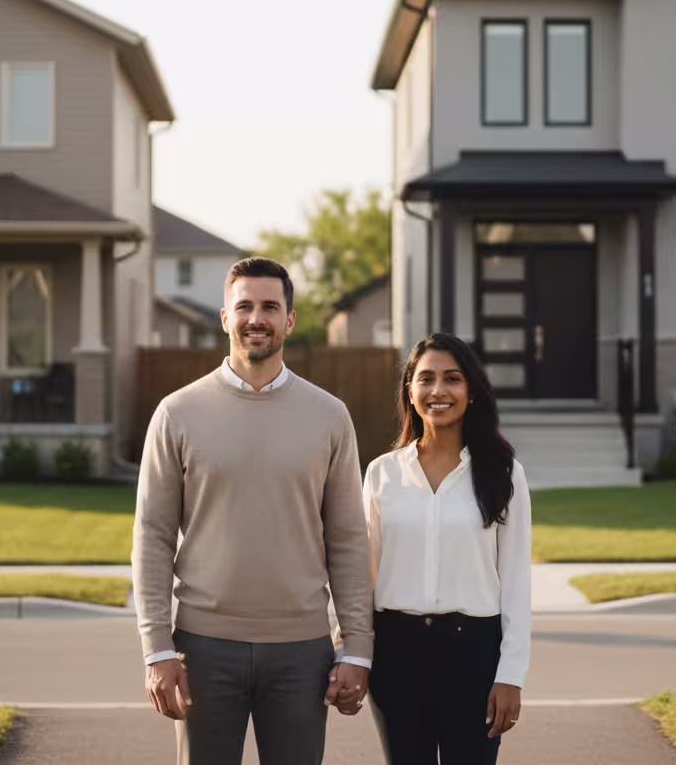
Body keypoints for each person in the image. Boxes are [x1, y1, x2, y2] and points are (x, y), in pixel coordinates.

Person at [132, 257, 373, 765]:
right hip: (202, 647)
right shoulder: (177, 412)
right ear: (225, 317)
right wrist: (157, 648)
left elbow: (349, 538)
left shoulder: (330, 416)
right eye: (244, 306)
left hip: (301, 650)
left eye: (270, 306)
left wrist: (356, 647)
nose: (256, 318)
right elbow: (152, 536)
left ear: (290, 320)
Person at [362, 332, 532, 765]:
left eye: (452, 379)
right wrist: (353, 653)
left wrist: (511, 675)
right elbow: (363, 576)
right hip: (396, 654)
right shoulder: (382, 474)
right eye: (426, 379)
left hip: (473, 654)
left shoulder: (504, 473)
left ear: (471, 391)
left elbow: (515, 582)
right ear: (410, 391)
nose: (438, 391)